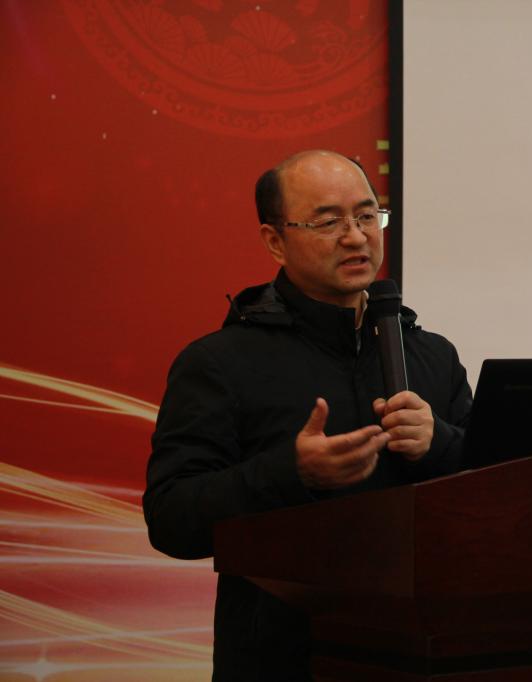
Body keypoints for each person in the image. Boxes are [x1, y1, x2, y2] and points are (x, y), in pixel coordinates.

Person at [143, 150, 472, 681]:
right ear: (275, 241)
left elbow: (493, 494)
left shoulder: (431, 354)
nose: (356, 237)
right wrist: (291, 472)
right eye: (328, 222)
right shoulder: (220, 363)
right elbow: (171, 520)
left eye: (367, 216)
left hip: (426, 654)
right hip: (286, 659)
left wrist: (442, 442)